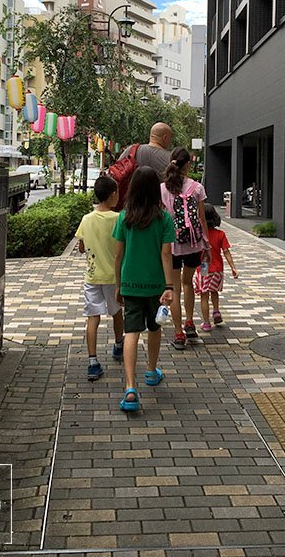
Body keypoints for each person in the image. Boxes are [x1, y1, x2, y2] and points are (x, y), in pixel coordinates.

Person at [112, 165, 176, 412]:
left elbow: (118, 255)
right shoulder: (164, 218)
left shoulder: (124, 217)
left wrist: (119, 285)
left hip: (130, 283)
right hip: (156, 285)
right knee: (154, 327)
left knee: (131, 332)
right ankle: (151, 371)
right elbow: (166, 254)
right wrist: (169, 286)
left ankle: (130, 387)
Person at [160, 147, 211, 350]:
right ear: (188, 164)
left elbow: (162, 217)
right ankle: (190, 322)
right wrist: (206, 244)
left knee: (174, 288)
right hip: (193, 243)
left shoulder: (163, 188)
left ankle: (179, 333)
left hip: (171, 245)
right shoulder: (197, 187)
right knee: (188, 283)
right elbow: (201, 218)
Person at [75, 176, 124, 381]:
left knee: (92, 317)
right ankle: (118, 345)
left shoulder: (86, 219)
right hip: (114, 276)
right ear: (113, 195)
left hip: (92, 276)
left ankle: (93, 361)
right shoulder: (118, 218)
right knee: (117, 313)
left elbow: (80, 247)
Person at [195, 203, 238, 331]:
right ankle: (216, 311)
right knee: (214, 291)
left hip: (203, 268)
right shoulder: (220, 234)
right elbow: (226, 252)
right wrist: (233, 267)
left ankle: (206, 322)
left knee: (204, 295)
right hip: (218, 269)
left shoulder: (198, 234)